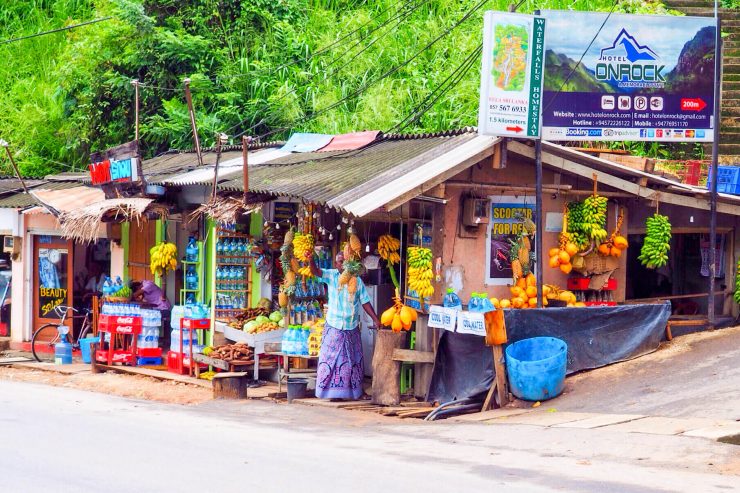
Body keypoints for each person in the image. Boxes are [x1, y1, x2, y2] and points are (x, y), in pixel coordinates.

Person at [310, 251, 381, 401]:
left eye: (345, 261)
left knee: (352, 361)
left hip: (351, 327)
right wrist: (311, 258)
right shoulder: (331, 276)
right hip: (334, 326)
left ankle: (351, 393)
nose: (342, 264)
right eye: (340, 262)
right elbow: (316, 272)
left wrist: (376, 319)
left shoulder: (357, 281)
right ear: (336, 264)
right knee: (330, 360)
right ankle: (330, 394)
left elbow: (365, 301)